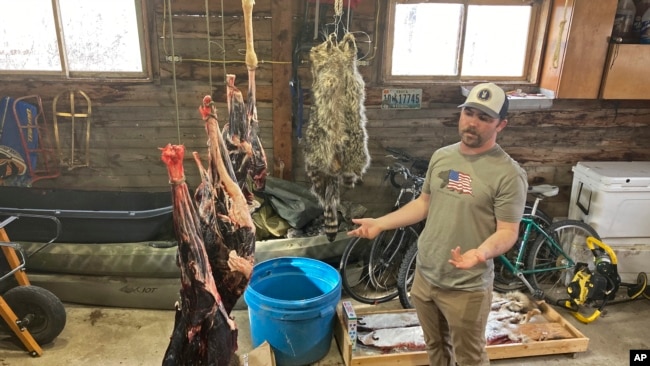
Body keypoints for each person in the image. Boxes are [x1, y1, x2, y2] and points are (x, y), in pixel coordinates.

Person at [347, 83, 528, 366]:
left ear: (501, 125)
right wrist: (381, 223)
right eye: (469, 112)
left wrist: (480, 253)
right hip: (426, 275)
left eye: (484, 118)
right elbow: (424, 204)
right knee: (436, 349)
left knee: (470, 357)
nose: (473, 123)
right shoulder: (443, 156)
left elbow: (508, 231)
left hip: (467, 287)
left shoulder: (508, 174)